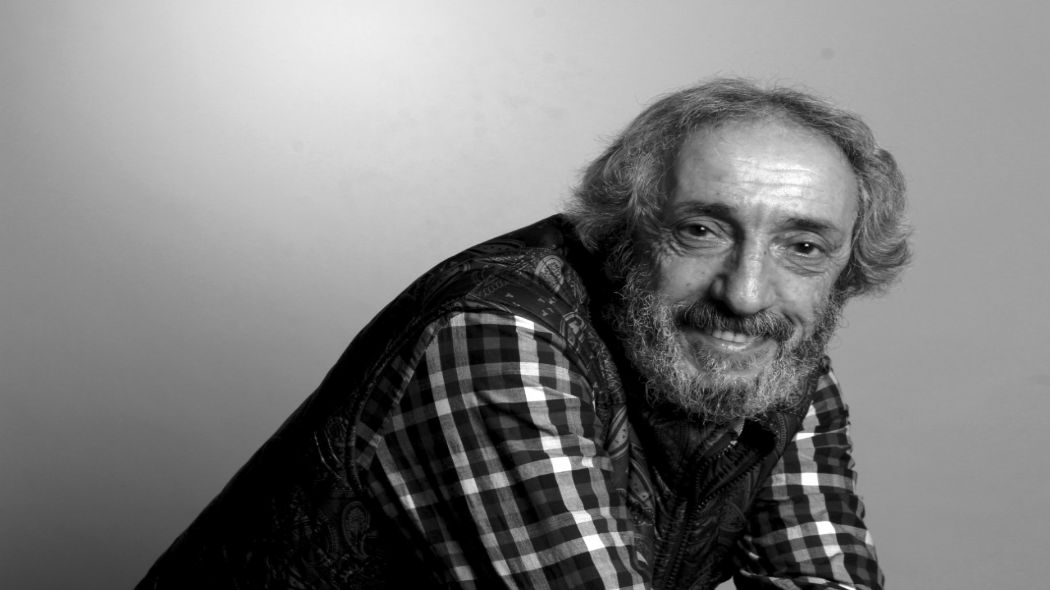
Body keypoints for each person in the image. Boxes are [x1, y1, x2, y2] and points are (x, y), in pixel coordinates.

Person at [138, 78, 909, 589]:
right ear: (626, 232)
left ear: (847, 266)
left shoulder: (774, 360)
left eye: (803, 246)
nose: (744, 295)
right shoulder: (497, 330)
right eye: (701, 230)